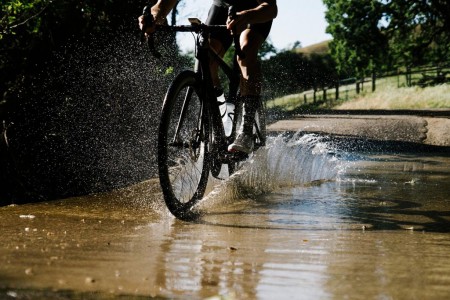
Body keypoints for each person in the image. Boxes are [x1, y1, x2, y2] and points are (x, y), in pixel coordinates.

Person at [139, 0, 277, 154]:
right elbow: (161, 6)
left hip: (255, 11)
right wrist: (153, 17)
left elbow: (271, 9)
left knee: (247, 49)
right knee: (207, 58)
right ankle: (221, 122)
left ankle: (246, 132)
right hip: (223, 7)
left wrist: (245, 16)